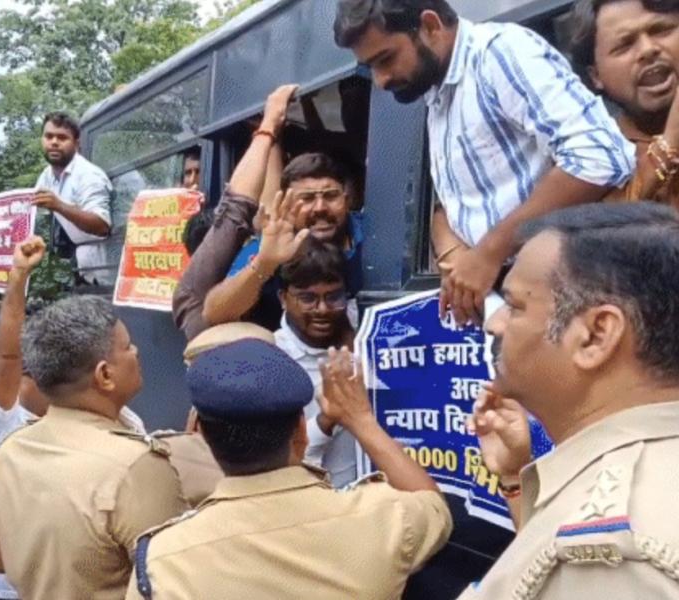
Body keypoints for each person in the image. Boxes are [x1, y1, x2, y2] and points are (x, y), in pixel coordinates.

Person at [333, 0, 636, 326]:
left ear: (431, 26)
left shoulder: (499, 54)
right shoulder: (438, 92)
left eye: (385, 59)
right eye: (371, 67)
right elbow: (461, 203)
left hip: (569, 299)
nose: (380, 80)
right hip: (516, 305)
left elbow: (599, 156)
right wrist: (459, 258)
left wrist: (490, 252)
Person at [459, 202, 679, 599]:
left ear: (596, 335)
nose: (494, 324)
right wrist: (514, 479)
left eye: (515, 307)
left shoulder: (613, 554)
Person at [125, 341, 453, 599]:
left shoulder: (162, 561)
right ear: (302, 430)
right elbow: (433, 505)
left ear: (203, 435)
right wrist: (360, 419)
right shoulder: (383, 517)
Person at [0, 296, 220, 600]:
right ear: (105, 375)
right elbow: (172, 579)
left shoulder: (10, 450)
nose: (137, 351)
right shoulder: (136, 465)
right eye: (127, 346)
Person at [0, 237, 143, 600]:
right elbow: (6, 356)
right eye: (25, 372)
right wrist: (18, 277)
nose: (27, 381)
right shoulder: (6, 420)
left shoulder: (129, 424)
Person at [173, 84, 364, 340]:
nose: (320, 208)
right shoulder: (272, 243)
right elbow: (213, 313)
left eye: (330, 196)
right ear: (286, 203)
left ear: (347, 199)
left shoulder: (372, 231)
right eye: (306, 199)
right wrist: (265, 263)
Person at [571, 0, 679, 207]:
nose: (648, 49)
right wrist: (670, 143)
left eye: (660, 30)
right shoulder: (592, 161)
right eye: (624, 45)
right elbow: (605, 221)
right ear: (596, 76)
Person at [276, 237, 359, 487]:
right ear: (283, 298)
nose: (322, 309)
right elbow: (283, 459)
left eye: (333, 297)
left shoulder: (364, 344)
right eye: (308, 298)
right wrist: (327, 419)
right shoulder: (273, 358)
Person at [33, 111, 114, 285]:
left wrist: (59, 206)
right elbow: (28, 208)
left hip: (110, 264)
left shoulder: (89, 175)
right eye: (49, 136)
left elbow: (102, 226)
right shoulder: (47, 175)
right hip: (84, 264)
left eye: (62, 138)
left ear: (76, 144)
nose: (54, 142)